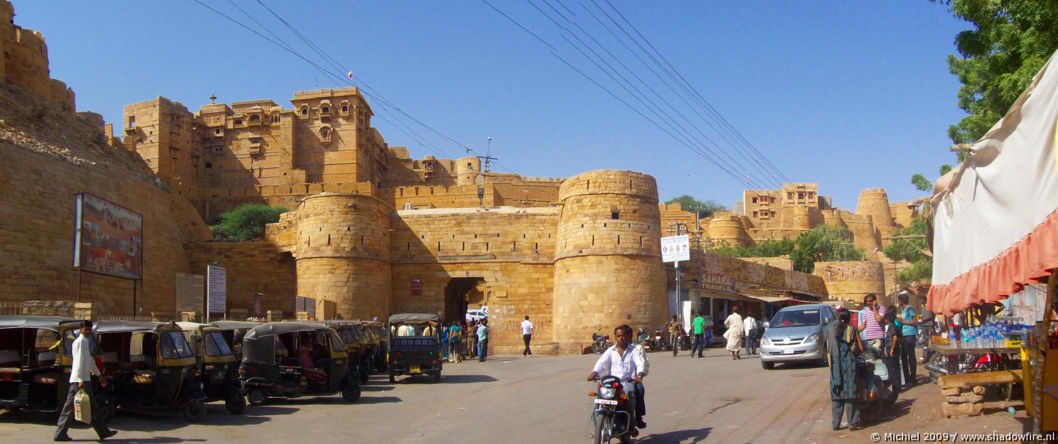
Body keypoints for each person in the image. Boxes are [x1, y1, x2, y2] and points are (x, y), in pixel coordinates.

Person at [54, 321, 117, 442]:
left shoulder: (83, 342)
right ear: (81, 329)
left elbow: (89, 360)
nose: (87, 332)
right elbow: (79, 362)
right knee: (88, 406)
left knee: (72, 407)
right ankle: (103, 432)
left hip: (79, 379)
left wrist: (98, 375)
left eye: (89, 330)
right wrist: (81, 380)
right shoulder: (81, 342)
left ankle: (60, 433)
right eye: (85, 330)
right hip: (81, 379)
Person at [587, 325, 647, 430]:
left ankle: (631, 423)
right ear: (615, 338)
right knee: (598, 397)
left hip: (627, 381)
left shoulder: (633, 351)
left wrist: (639, 375)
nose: (621, 338)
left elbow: (640, 363)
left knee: (629, 393)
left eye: (623, 336)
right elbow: (601, 362)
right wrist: (594, 372)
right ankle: (598, 426)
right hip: (612, 383)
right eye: (618, 336)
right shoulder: (610, 351)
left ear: (629, 337)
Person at [828, 309, 862, 431]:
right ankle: (852, 423)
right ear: (850, 318)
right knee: (850, 395)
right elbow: (860, 348)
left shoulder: (831, 330)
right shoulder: (852, 330)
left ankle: (836, 424)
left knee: (837, 395)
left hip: (835, 365)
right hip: (849, 365)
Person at [881, 306, 902, 413]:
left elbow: (895, 338)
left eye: (885, 319)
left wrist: (893, 349)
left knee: (893, 368)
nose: (884, 320)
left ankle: (896, 386)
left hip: (892, 350)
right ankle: (896, 386)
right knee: (894, 367)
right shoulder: (890, 327)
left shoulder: (892, 327)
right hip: (891, 349)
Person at [896, 293, 918, 388]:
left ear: (901, 301)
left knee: (911, 356)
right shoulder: (903, 310)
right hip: (904, 335)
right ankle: (907, 378)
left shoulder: (909, 308)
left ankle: (913, 378)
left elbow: (915, 321)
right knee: (904, 357)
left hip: (910, 334)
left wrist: (903, 322)